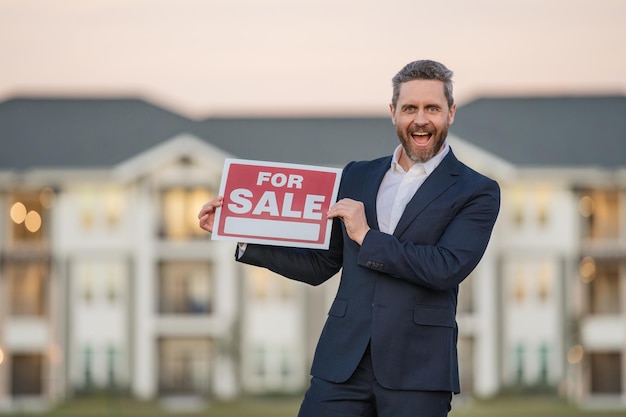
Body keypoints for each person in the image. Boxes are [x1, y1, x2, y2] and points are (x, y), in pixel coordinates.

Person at [198, 59, 500, 417]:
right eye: (409, 108)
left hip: (418, 370)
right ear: (393, 113)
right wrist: (240, 232)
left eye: (431, 108)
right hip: (342, 365)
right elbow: (321, 263)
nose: (420, 119)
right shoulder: (356, 175)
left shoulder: (477, 191)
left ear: (450, 112)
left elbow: (445, 267)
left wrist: (367, 236)